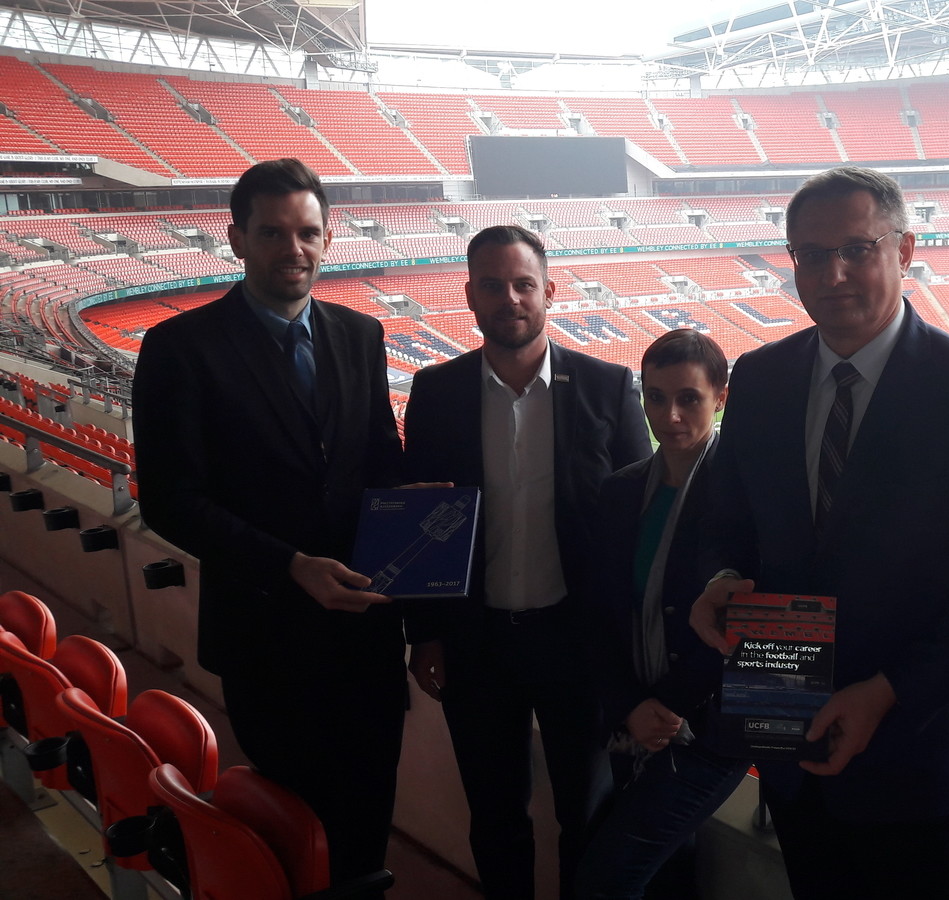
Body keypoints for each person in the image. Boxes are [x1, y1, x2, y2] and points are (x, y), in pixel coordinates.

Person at [687, 165, 949, 900]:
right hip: (792, 749)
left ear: (905, 250)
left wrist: (887, 692)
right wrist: (720, 583)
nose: (834, 274)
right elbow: (724, 521)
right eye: (812, 255)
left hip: (919, 768)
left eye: (857, 249)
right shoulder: (760, 379)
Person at [132, 158, 408, 884]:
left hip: (366, 637)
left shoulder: (361, 334)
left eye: (308, 233)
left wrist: (423, 506)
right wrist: (289, 566)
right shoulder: (180, 348)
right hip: (267, 638)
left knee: (367, 824)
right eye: (273, 233)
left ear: (328, 238)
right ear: (237, 239)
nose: (294, 249)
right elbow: (170, 499)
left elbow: (378, 461)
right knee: (295, 830)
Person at [402, 224, 649, 899]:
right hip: (476, 643)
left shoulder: (606, 387)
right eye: (492, 285)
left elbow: (639, 520)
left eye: (523, 284)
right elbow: (421, 520)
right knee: (495, 813)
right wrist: (425, 633)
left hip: (577, 641)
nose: (509, 298)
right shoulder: (436, 392)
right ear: (470, 296)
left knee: (587, 812)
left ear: (549, 292)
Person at [574, 329, 745, 899]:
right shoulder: (621, 491)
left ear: (720, 397)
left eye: (688, 398)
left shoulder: (745, 496)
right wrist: (630, 704)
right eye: (656, 397)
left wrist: (667, 705)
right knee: (667, 873)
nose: (669, 416)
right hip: (635, 720)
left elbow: (740, 623)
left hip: (706, 729)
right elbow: (598, 612)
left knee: (605, 877)